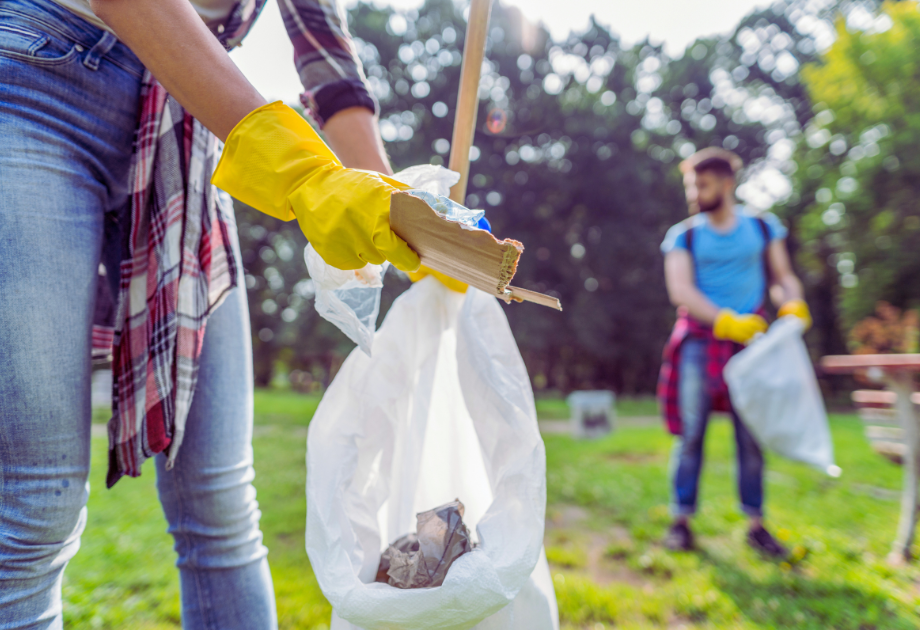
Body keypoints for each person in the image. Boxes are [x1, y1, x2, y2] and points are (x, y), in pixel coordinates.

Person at [0, 0, 421, 627]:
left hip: (183, 124)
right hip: (37, 80)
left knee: (221, 506)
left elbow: (327, 60)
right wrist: (303, 171)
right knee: (35, 508)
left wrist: (406, 218)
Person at [657, 148, 812, 557]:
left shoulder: (762, 228)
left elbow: (782, 279)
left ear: (727, 184)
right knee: (691, 435)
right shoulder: (684, 235)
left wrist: (791, 303)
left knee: (752, 435)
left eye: (702, 184)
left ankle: (756, 525)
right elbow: (681, 290)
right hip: (700, 342)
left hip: (751, 345)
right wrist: (724, 319)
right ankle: (681, 521)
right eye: (692, 184)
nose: (695, 192)